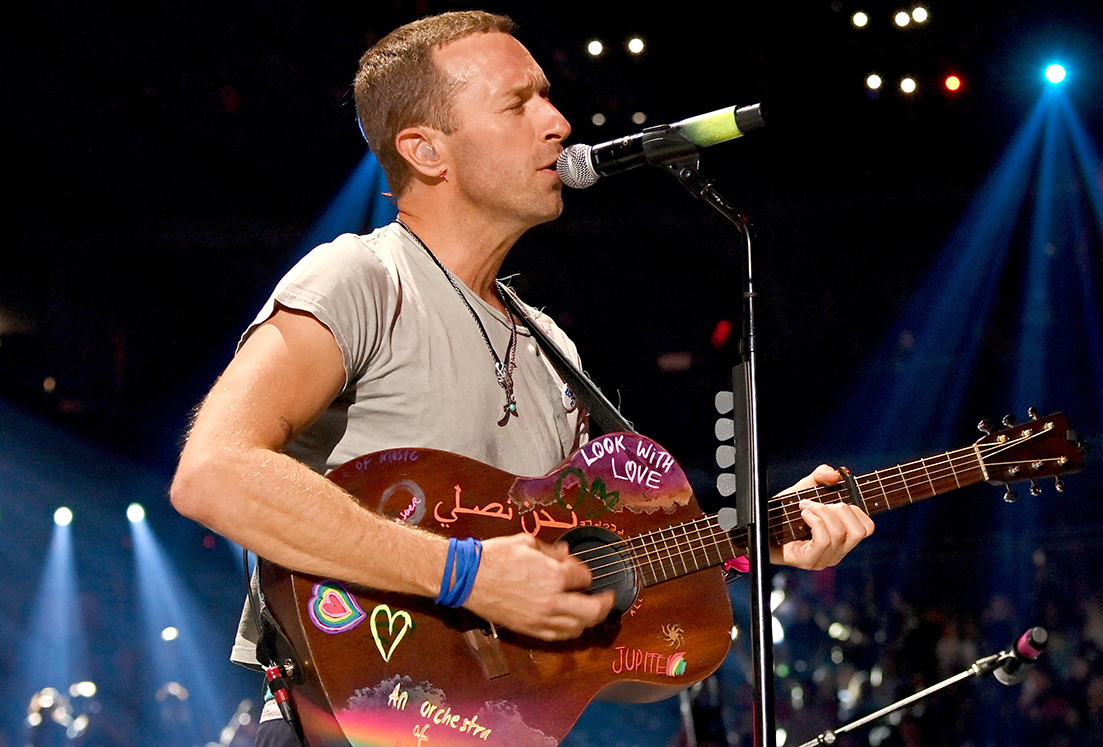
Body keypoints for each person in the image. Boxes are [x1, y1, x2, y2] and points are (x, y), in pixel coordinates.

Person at [169, 10, 875, 746]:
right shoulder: (364, 278)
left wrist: (754, 539)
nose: (559, 121)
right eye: (519, 102)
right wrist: (464, 574)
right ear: (426, 150)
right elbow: (214, 471)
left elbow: (581, 581)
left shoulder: (550, 345)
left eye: (547, 97)